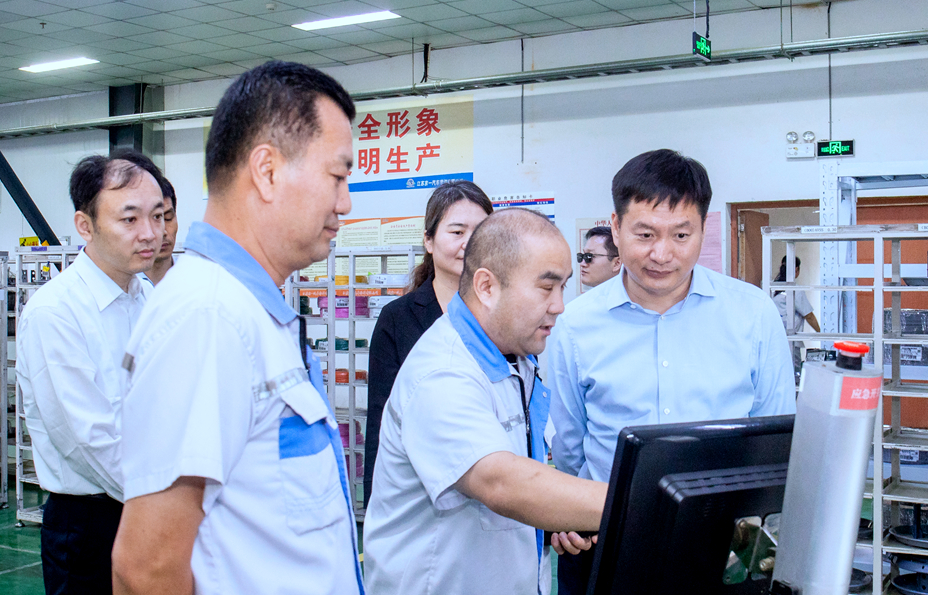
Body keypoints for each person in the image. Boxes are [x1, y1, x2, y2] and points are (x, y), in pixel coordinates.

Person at [111, 61, 363, 595]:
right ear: (267, 171)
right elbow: (146, 569)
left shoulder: (247, 311)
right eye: (337, 177)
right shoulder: (208, 317)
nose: (345, 203)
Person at [548, 149, 796, 595]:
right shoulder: (575, 324)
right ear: (616, 228)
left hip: (725, 549)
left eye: (681, 234)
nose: (661, 254)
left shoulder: (753, 314)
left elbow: (775, 437)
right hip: (609, 538)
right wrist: (573, 512)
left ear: (703, 228)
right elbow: (569, 444)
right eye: (645, 234)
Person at [364, 208, 609, 595]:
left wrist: (559, 514)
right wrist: (636, 501)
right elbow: (501, 481)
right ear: (487, 287)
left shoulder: (515, 358)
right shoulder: (443, 372)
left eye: (563, 287)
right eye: (546, 288)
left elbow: (523, 476)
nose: (559, 305)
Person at [15, 149, 165, 595]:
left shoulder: (149, 298)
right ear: (86, 226)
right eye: (130, 219)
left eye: (158, 216)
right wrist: (169, 503)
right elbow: (87, 440)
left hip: (151, 502)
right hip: (89, 525)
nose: (150, 233)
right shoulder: (55, 312)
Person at [363, 180, 493, 505]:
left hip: (494, 484)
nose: (469, 243)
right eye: (457, 231)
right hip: (418, 492)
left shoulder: (503, 316)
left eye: (480, 232)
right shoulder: (397, 318)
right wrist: (377, 504)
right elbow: (381, 420)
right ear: (429, 240)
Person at [771, 256, 820, 382]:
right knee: (793, 376)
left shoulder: (773, 287)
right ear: (796, 270)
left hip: (774, 340)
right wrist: (821, 333)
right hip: (790, 341)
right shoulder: (794, 290)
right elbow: (808, 315)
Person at [140, 174, 178, 285]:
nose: (163, 232)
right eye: (156, 218)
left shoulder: (195, 278)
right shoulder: (120, 284)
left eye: (168, 218)